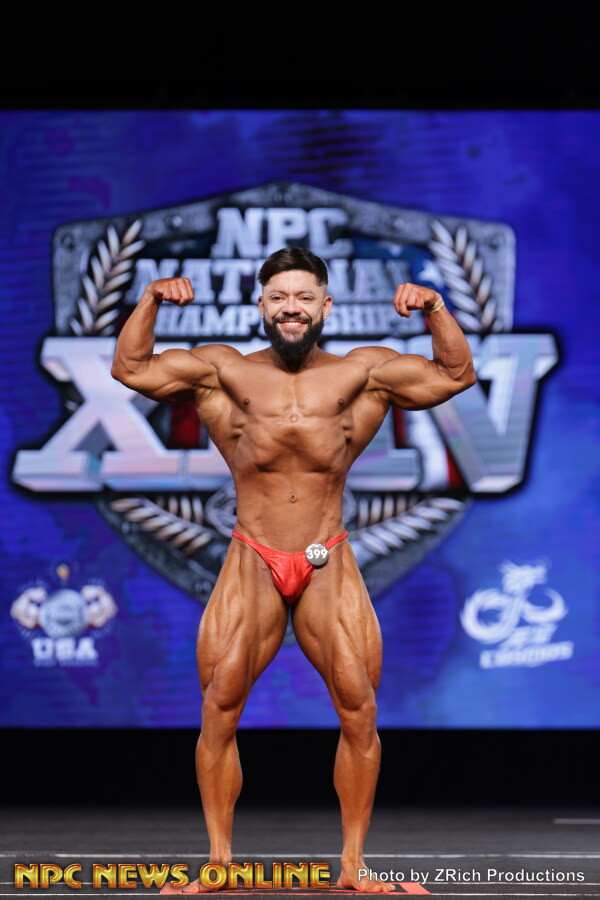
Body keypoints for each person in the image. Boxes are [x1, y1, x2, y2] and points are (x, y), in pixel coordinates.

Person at [111, 247, 476, 892]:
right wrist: (150, 299)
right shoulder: (223, 371)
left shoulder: (362, 374)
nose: (291, 308)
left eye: (304, 297)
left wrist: (437, 308)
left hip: (325, 554)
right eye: (279, 297)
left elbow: (455, 374)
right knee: (219, 707)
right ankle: (219, 867)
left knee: (359, 709)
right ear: (261, 305)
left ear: (325, 306)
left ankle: (354, 869)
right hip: (252, 554)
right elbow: (130, 367)